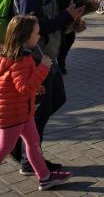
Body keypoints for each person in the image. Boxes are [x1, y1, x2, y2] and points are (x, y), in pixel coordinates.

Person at [10, 0, 84, 175]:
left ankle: (19, 147)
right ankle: (29, 159)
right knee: (38, 112)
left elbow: (56, 19)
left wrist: (72, 23)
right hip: (33, 61)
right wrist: (66, 18)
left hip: (47, 58)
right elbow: (32, 28)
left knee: (57, 99)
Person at [0, 15, 72, 190]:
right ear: (25, 37)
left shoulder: (15, 56)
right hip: (14, 115)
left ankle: (45, 177)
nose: (39, 36)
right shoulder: (22, 61)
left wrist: (37, 86)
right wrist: (43, 68)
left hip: (23, 113)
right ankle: (45, 176)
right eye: (36, 33)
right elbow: (24, 88)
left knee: (33, 143)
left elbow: (19, 83)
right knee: (3, 150)